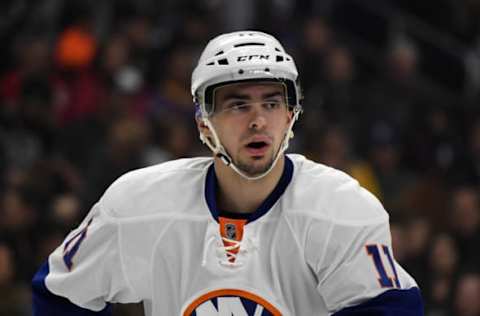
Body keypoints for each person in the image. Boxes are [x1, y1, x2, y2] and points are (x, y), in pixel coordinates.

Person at [32, 31, 423, 315]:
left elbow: (392, 308)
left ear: (291, 114)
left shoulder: (339, 208)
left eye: (271, 103)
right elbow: (60, 292)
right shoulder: (138, 204)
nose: (258, 121)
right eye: (238, 105)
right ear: (204, 124)